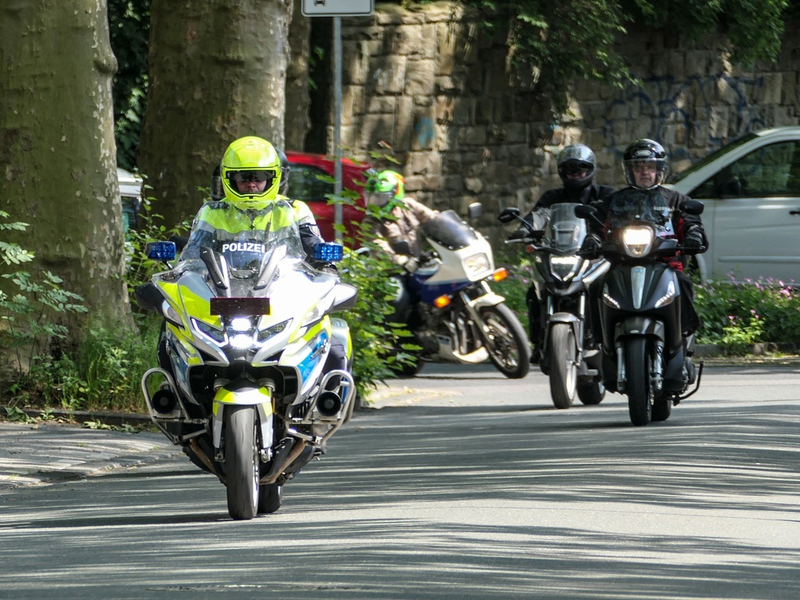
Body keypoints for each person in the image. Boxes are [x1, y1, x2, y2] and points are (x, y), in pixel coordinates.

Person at [172, 136, 346, 380]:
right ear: (229, 178)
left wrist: (325, 260)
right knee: (173, 332)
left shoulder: (295, 210)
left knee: (331, 344)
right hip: (223, 298)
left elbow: (313, 246)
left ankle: (328, 397)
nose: (251, 184)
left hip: (278, 297)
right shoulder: (212, 212)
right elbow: (193, 254)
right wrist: (180, 272)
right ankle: (173, 395)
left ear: (272, 178)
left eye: (259, 178)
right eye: (244, 178)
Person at [581, 138, 707, 338]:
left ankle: (684, 333)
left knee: (682, 281)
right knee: (597, 285)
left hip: (666, 263)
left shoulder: (676, 199)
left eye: (650, 166)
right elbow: (597, 226)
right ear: (630, 171)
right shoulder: (614, 201)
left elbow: (691, 222)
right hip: (622, 264)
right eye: (639, 167)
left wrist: (694, 235)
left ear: (659, 170)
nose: (645, 172)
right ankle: (597, 337)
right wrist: (593, 239)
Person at [516, 144, 614, 363]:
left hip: (594, 256)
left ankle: (603, 340)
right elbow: (540, 214)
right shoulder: (552, 196)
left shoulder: (605, 195)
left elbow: (616, 217)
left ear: (591, 170)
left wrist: (607, 234)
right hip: (560, 252)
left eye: (580, 168)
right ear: (562, 172)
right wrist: (527, 227)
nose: (575, 173)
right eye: (570, 169)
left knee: (603, 289)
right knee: (535, 292)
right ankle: (538, 342)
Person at [364, 169, 438, 324]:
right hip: (390, 271)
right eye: (372, 197)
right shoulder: (371, 221)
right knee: (398, 297)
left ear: (395, 194)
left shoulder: (408, 206)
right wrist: (401, 261)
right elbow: (378, 246)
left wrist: (447, 227)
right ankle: (389, 338)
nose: (374, 201)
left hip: (419, 264)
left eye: (379, 197)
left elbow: (432, 219)